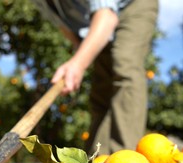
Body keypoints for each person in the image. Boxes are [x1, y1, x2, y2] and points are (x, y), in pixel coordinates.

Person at [31, 0, 158, 154]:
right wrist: (80, 54)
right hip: (96, 21)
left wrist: (78, 63)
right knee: (102, 88)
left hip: (132, 5)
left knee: (125, 64)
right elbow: (64, 25)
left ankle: (124, 158)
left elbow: (106, 17)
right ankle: (97, 159)